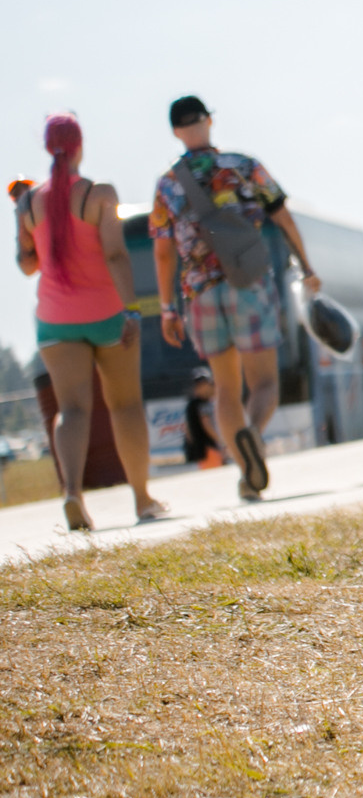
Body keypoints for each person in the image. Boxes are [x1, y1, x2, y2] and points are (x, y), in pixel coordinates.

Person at [149, 95, 324, 504]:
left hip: (200, 292)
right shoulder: (243, 166)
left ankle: (246, 475)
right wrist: (307, 267)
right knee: (263, 382)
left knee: (225, 389)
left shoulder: (168, 184)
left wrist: (167, 308)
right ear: (209, 121)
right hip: (249, 282)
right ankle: (253, 434)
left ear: (176, 131)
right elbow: (282, 217)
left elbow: (162, 251)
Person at [15, 115, 165, 531]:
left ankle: (72, 495)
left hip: (54, 321)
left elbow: (27, 265)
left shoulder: (29, 202)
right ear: (80, 146)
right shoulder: (99, 194)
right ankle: (142, 499)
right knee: (126, 404)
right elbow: (116, 255)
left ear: (48, 148)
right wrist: (132, 309)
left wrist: (19, 221)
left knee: (72, 410)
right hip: (105, 314)